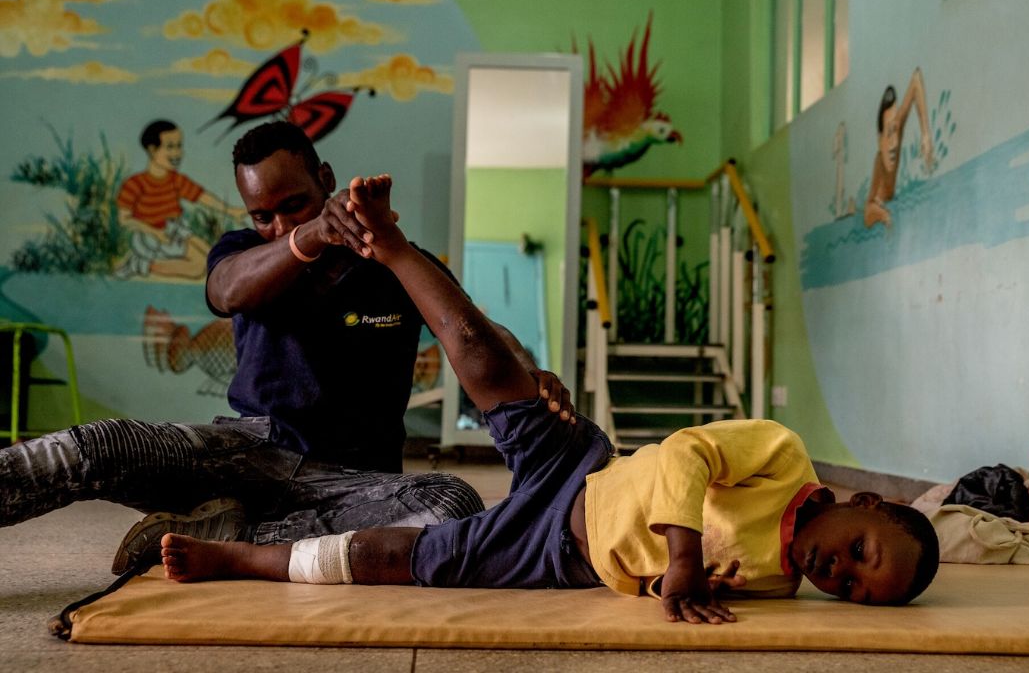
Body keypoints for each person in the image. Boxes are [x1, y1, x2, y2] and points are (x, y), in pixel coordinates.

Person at [160, 174, 941, 623]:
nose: (838, 572)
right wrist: (685, 563)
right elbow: (688, 454)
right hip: (585, 471)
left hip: (556, 556)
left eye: (851, 589)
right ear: (866, 501)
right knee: (481, 356)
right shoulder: (785, 455)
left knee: (394, 559)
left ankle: (241, 558)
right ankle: (392, 246)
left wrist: (665, 583)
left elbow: (662, 580)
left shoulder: (782, 581)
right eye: (859, 553)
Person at [0, 121, 571, 576]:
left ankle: (237, 536)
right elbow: (226, 292)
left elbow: (478, 329)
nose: (276, 225)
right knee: (95, 446)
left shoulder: (396, 260)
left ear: (325, 177)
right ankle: (235, 522)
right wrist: (308, 233)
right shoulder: (242, 251)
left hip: (353, 481)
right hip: (246, 451)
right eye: (262, 215)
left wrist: (532, 374)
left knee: (451, 506)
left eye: (293, 205)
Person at [115, 119, 246, 279]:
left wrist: (232, 211)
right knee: (198, 268)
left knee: (211, 254)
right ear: (152, 150)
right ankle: (140, 264)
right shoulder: (134, 184)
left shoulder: (175, 179)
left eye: (179, 146)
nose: (177, 153)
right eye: (170, 147)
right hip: (150, 236)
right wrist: (155, 232)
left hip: (175, 230)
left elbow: (202, 197)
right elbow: (125, 219)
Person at [863, 68, 937, 229]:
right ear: (879, 139)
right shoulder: (879, 163)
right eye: (888, 133)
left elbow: (916, 80)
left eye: (896, 129)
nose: (894, 143)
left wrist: (925, 133)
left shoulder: (897, 129)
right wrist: (882, 214)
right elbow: (867, 214)